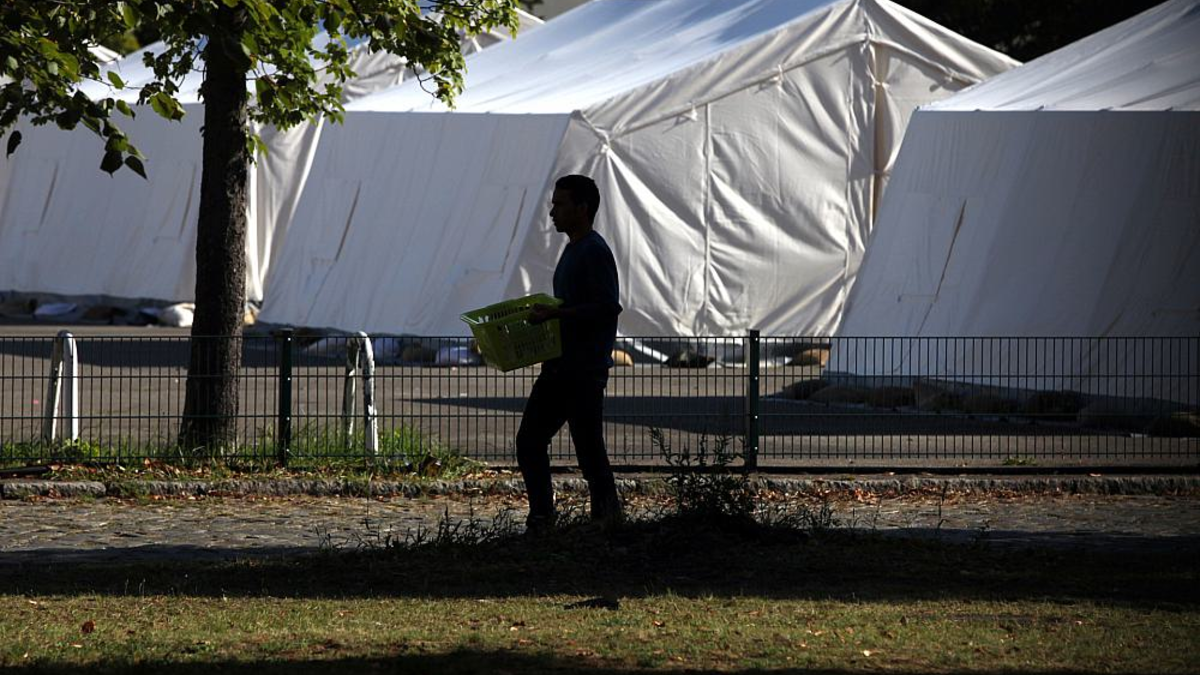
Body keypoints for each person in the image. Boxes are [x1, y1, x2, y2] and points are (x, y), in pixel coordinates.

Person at [518, 174, 623, 533]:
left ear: (583, 208)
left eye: (561, 204)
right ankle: (594, 517)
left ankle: (564, 518)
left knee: (570, 444)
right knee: (556, 442)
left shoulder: (592, 251)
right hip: (563, 366)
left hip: (580, 370)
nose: (552, 211)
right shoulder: (574, 248)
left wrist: (557, 314)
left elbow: (607, 307)